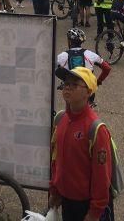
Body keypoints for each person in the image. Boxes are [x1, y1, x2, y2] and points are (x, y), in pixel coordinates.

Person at [49, 66, 114, 221]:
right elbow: (56, 159)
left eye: (74, 84)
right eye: (66, 83)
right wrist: (55, 190)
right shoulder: (60, 119)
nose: (67, 87)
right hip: (65, 200)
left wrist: (94, 213)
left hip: (86, 206)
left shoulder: (96, 129)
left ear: (88, 92)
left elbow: (102, 176)